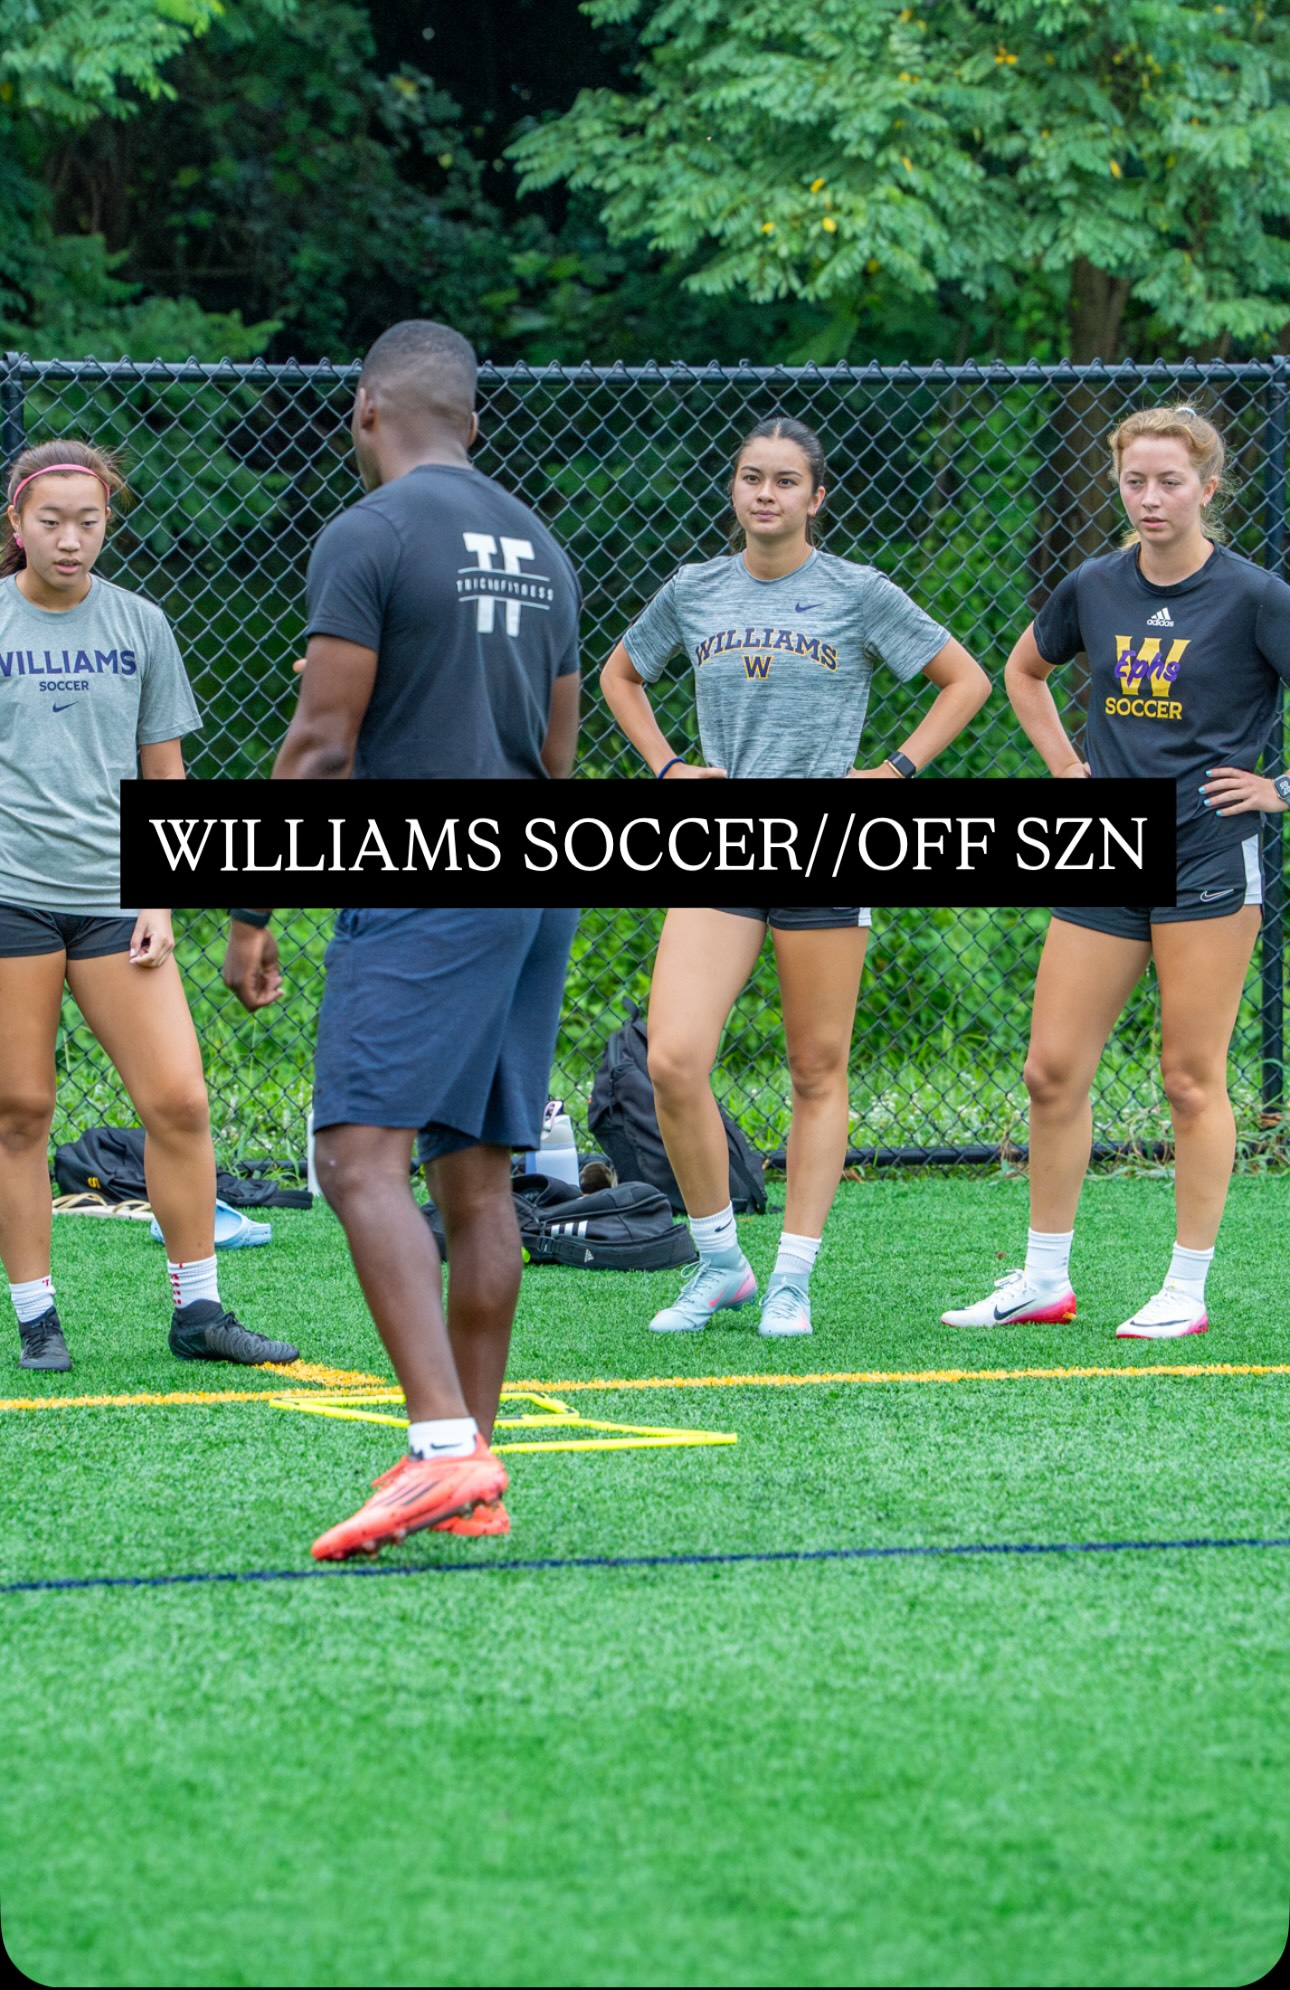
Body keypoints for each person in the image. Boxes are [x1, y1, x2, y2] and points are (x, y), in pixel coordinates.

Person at [222, 319, 580, 1558]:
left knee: (356, 1155)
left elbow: (323, 743)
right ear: (469, 420)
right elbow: (558, 755)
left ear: (366, 408)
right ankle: (471, 1466)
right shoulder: (544, 546)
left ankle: (438, 1446)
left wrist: (255, 901)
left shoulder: (365, 534)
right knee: (477, 1175)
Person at [600, 415, 991, 1338]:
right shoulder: (693, 590)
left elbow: (964, 680)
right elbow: (620, 676)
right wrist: (666, 768)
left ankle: (793, 1278)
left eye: (784, 481)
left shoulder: (858, 592)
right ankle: (722, 1262)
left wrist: (893, 774)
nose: (764, 494)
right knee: (672, 1058)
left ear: (817, 498)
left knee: (817, 1069)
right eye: (749, 478)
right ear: (733, 491)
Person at [942, 403, 1290, 1341]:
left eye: (1170, 481)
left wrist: (1279, 789)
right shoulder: (1094, 585)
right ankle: (1044, 1280)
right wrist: (1065, 769)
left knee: (1189, 1078)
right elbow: (1024, 673)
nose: (1150, 497)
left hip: (1208, 855)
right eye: (1134, 480)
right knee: (1051, 1071)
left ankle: (1186, 1287)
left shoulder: (1257, 595)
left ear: (1209, 490)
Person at [0, 441, 299, 1374]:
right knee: (20, 1111)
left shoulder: (142, 624)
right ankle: (37, 1317)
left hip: (115, 905)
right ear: (17, 525)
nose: (71, 539)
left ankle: (198, 1310)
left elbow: (164, 779)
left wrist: (160, 897)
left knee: (178, 1101)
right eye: (51, 521)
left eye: (89, 522)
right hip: (11, 900)